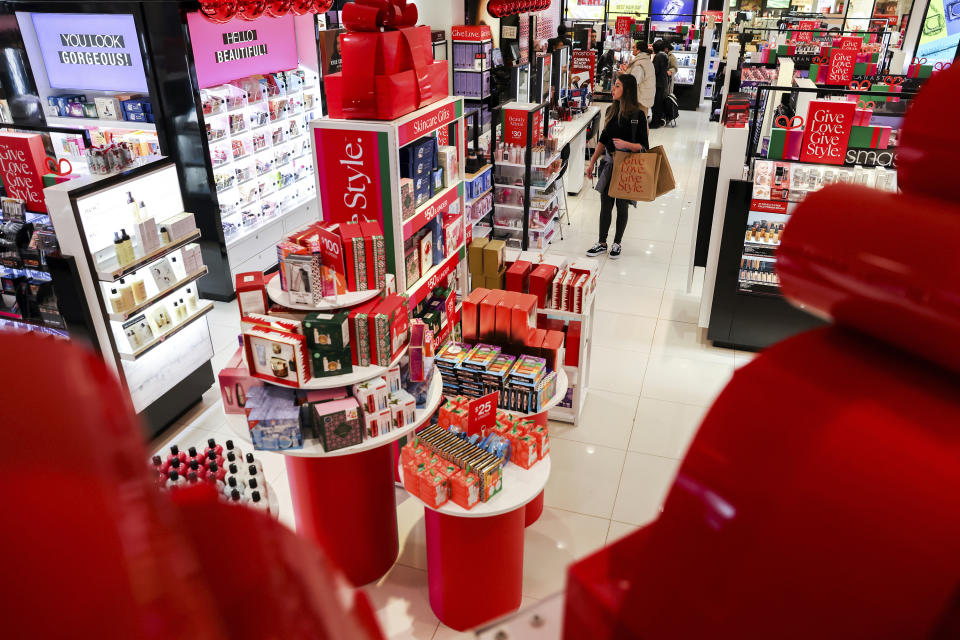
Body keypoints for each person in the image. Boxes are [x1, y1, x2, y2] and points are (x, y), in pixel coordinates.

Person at [584, 73, 650, 259]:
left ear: (627, 90)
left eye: (618, 86)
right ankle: (602, 242)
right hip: (609, 165)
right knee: (605, 205)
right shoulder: (611, 111)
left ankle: (617, 243)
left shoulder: (638, 115)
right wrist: (592, 163)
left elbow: (644, 146)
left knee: (622, 206)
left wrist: (626, 144)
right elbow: (603, 140)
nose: (613, 88)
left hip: (627, 167)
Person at [622, 39, 655, 114]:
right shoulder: (646, 61)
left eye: (634, 47)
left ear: (638, 50)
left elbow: (634, 80)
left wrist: (623, 74)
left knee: (641, 119)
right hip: (646, 95)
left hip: (640, 97)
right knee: (643, 119)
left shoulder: (639, 63)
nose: (632, 49)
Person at [650, 40, 670, 129]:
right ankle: (657, 121)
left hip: (658, 83)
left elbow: (655, 70)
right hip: (663, 82)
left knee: (656, 104)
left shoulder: (658, 56)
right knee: (659, 103)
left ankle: (655, 123)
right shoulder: (664, 55)